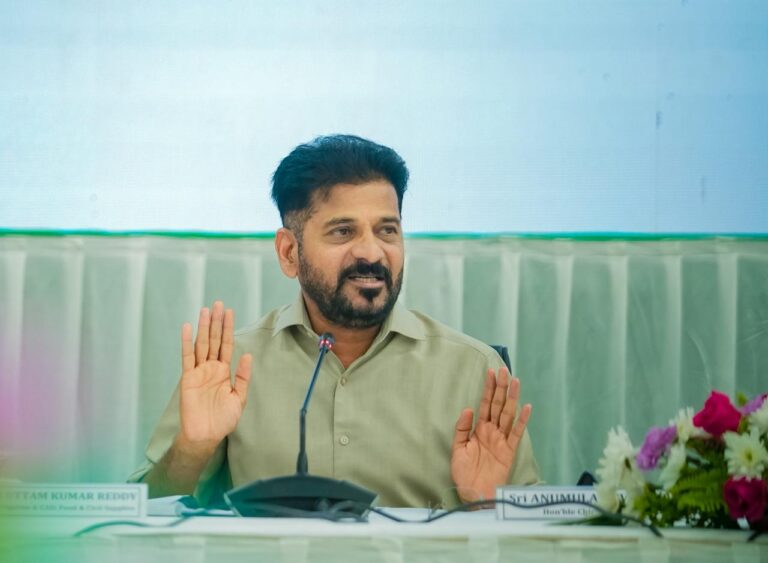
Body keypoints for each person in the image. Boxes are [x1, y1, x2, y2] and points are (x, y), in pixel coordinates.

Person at [129, 134, 539, 507]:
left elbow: (537, 537)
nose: (372, 253)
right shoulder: (230, 366)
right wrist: (192, 447)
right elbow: (142, 519)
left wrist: (486, 506)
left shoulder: (472, 370)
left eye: (387, 231)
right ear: (289, 253)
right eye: (343, 232)